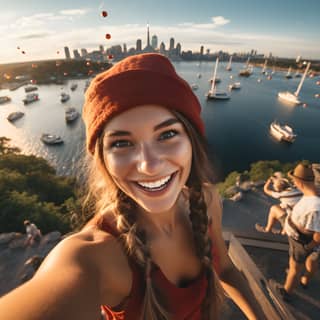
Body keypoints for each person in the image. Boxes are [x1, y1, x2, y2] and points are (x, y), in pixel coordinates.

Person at [0, 53, 264, 319]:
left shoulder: (207, 200)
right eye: (121, 143)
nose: (149, 165)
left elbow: (225, 269)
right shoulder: (95, 254)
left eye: (168, 134)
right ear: (103, 159)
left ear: (192, 142)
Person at [278, 163, 320, 301]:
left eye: (294, 180)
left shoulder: (315, 208)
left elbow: (318, 236)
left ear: (299, 182)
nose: (293, 183)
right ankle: (303, 279)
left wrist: (306, 248)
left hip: (300, 242)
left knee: (294, 270)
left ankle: (286, 293)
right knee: (301, 265)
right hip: (298, 238)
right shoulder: (311, 196)